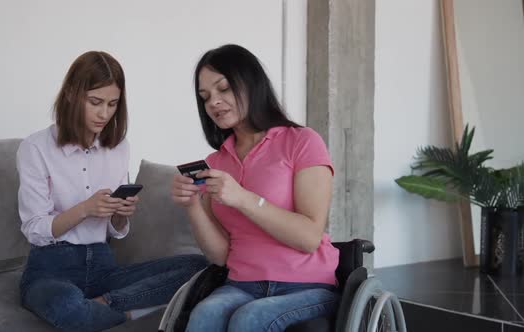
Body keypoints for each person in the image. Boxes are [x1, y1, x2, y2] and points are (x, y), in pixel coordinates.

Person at [17, 51, 207, 332]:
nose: (104, 113)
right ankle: (130, 315)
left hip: (104, 268)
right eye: (95, 102)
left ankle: (104, 304)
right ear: (71, 94)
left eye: (112, 104)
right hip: (51, 270)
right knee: (68, 307)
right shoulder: (35, 148)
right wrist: (85, 209)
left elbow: (115, 230)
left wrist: (120, 215)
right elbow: (34, 228)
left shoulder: (118, 148)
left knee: (200, 266)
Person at [171, 44, 340, 332]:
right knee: (204, 314)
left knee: (250, 318)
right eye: (205, 97)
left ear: (251, 83)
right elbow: (221, 256)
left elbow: (309, 237)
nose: (213, 102)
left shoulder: (302, 141)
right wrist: (192, 206)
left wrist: (243, 198)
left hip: (306, 285)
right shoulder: (216, 161)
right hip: (242, 284)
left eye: (223, 88)